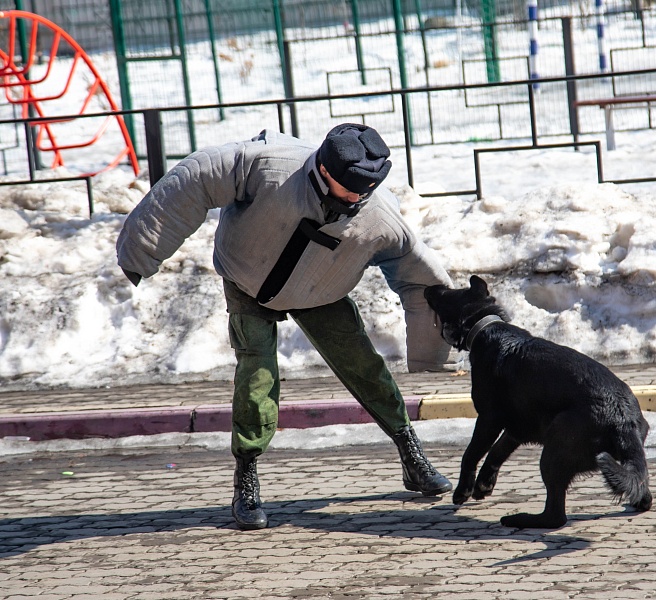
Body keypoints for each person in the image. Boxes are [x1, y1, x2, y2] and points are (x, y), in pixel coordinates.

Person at [116, 123, 455, 530]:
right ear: (325, 170)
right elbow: (196, 178)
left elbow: (423, 280)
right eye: (352, 189)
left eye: (367, 190)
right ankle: (246, 479)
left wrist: (433, 353)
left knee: (364, 367)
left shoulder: (380, 217)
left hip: (321, 289)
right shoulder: (269, 166)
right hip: (247, 279)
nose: (359, 198)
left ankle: (411, 453)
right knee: (256, 377)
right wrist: (141, 251)